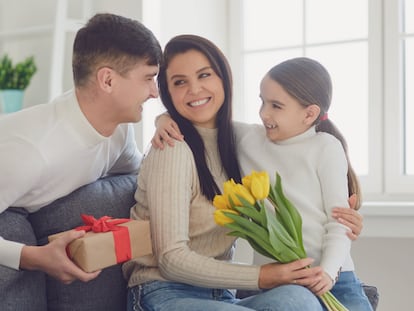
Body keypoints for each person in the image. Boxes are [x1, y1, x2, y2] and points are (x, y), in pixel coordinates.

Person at [123, 35, 363, 311]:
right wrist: (263, 276)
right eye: (179, 82)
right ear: (167, 92)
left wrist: (346, 222)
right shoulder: (173, 148)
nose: (195, 89)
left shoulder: (238, 142)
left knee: (300, 302)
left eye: (204, 75)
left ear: (223, 78)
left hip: (220, 296)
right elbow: (170, 259)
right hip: (163, 292)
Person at [0, 13, 164, 311]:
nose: (155, 92)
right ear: (108, 80)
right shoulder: (31, 154)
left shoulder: (119, 130)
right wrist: (32, 256)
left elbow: (142, 174)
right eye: (148, 78)